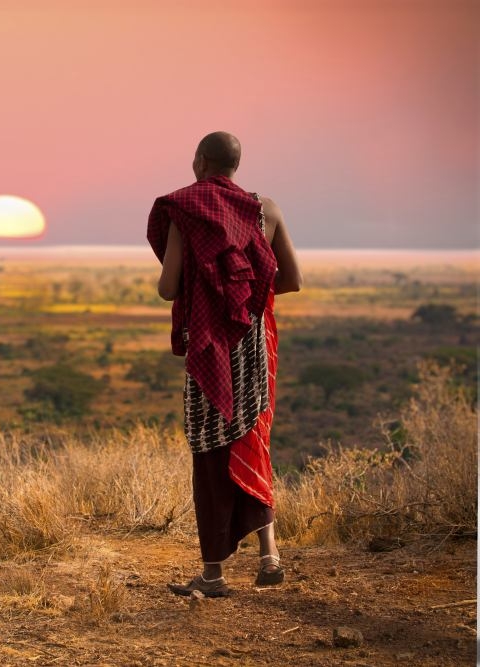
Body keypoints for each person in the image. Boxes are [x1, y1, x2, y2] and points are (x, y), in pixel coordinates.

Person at [146, 131, 302, 597]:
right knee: (251, 440)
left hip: (210, 348)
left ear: (199, 161)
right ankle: (269, 555)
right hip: (251, 343)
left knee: (211, 453)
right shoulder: (266, 209)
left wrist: (207, 288)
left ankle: (213, 575)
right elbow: (291, 279)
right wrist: (243, 292)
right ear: (235, 165)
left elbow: (167, 288)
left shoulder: (185, 211)